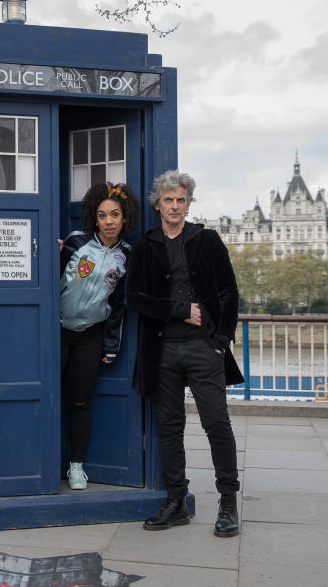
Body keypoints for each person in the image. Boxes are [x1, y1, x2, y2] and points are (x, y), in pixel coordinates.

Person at [125, 170, 242, 538]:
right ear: (157, 204)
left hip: (203, 347)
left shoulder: (206, 240)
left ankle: (228, 502)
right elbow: (134, 299)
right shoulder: (145, 247)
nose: (175, 207)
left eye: (181, 200)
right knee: (170, 428)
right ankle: (176, 501)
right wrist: (178, 309)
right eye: (169, 200)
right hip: (163, 349)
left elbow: (229, 292)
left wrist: (220, 338)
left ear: (188, 204)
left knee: (216, 423)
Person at [58, 181, 140, 490]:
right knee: (49, 397)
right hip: (57, 333)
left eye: (115, 215)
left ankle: (76, 466)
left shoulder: (127, 256)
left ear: (124, 218)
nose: (109, 221)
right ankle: (41, 461)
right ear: (95, 217)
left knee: (81, 403)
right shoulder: (75, 243)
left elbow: (118, 306)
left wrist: (111, 346)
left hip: (90, 337)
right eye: (103, 215)